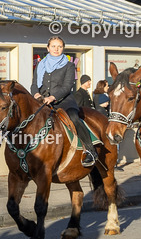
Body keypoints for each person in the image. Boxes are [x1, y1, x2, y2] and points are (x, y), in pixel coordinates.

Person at [33, 36, 99, 167]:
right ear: (48, 48)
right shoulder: (41, 65)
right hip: (42, 101)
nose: (56, 49)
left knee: (74, 117)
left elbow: (67, 86)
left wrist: (52, 97)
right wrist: (36, 94)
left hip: (64, 101)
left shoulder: (69, 65)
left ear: (63, 48)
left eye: (59, 47)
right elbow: (34, 83)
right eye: (53, 46)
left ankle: (90, 150)